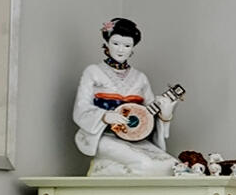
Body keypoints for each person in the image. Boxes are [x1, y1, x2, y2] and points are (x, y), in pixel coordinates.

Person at [72, 18, 185, 176]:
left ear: (132, 48)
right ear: (107, 43)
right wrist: (104, 116)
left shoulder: (140, 78)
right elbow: (81, 108)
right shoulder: (93, 72)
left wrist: (165, 115)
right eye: (116, 43)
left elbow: (148, 115)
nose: (121, 49)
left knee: (173, 166)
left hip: (135, 138)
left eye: (127, 45)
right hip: (104, 135)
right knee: (144, 164)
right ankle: (104, 171)